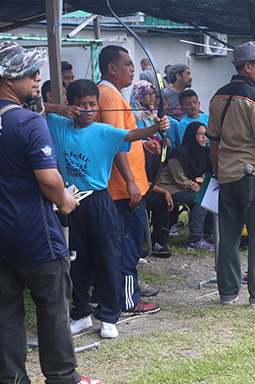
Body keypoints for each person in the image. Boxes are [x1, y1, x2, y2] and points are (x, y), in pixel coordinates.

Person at [0, 41, 100, 384]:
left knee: (5, 312)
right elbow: (49, 180)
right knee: (53, 308)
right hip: (34, 235)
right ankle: (62, 378)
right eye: (31, 72)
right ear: (10, 78)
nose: (39, 77)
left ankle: (11, 379)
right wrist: (66, 201)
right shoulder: (27, 121)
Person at [47, 79, 170, 339]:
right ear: (71, 106)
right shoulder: (58, 125)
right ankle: (81, 314)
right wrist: (59, 108)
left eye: (93, 104)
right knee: (77, 260)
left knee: (107, 256)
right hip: (72, 201)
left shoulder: (104, 130)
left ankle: (108, 315)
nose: (88, 110)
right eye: (81, 105)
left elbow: (131, 135)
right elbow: (33, 108)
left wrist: (156, 127)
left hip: (99, 201)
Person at [207, 40, 255, 307]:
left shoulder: (217, 96)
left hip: (227, 176)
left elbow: (213, 140)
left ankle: (227, 293)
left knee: (228, 238)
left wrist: (218, 169)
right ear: (247, 67)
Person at [94, 45, 161, 313]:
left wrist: (143, 144)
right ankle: (127, 301)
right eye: (128, 64)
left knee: (122, 243)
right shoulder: (109, 96)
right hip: (122, 188)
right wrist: (131, 182)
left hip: (123, 185)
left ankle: (114, 295)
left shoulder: (110, 95)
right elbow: (114, 142)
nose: (133, 69)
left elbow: (122, 137)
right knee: (127, 245)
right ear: (112, 68)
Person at [152, 121, 214, 251]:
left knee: (209, 195)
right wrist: (193, 185)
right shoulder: (179, 153)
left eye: (206, 134)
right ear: (192, 135)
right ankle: (195, 240)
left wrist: (198, 183)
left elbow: (202, 174)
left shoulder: (201, 153)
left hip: (185, 187)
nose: (204, 137)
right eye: (200, 134)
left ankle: (209, 234)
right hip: (168, 188)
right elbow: (179, 180)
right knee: (201, 199)